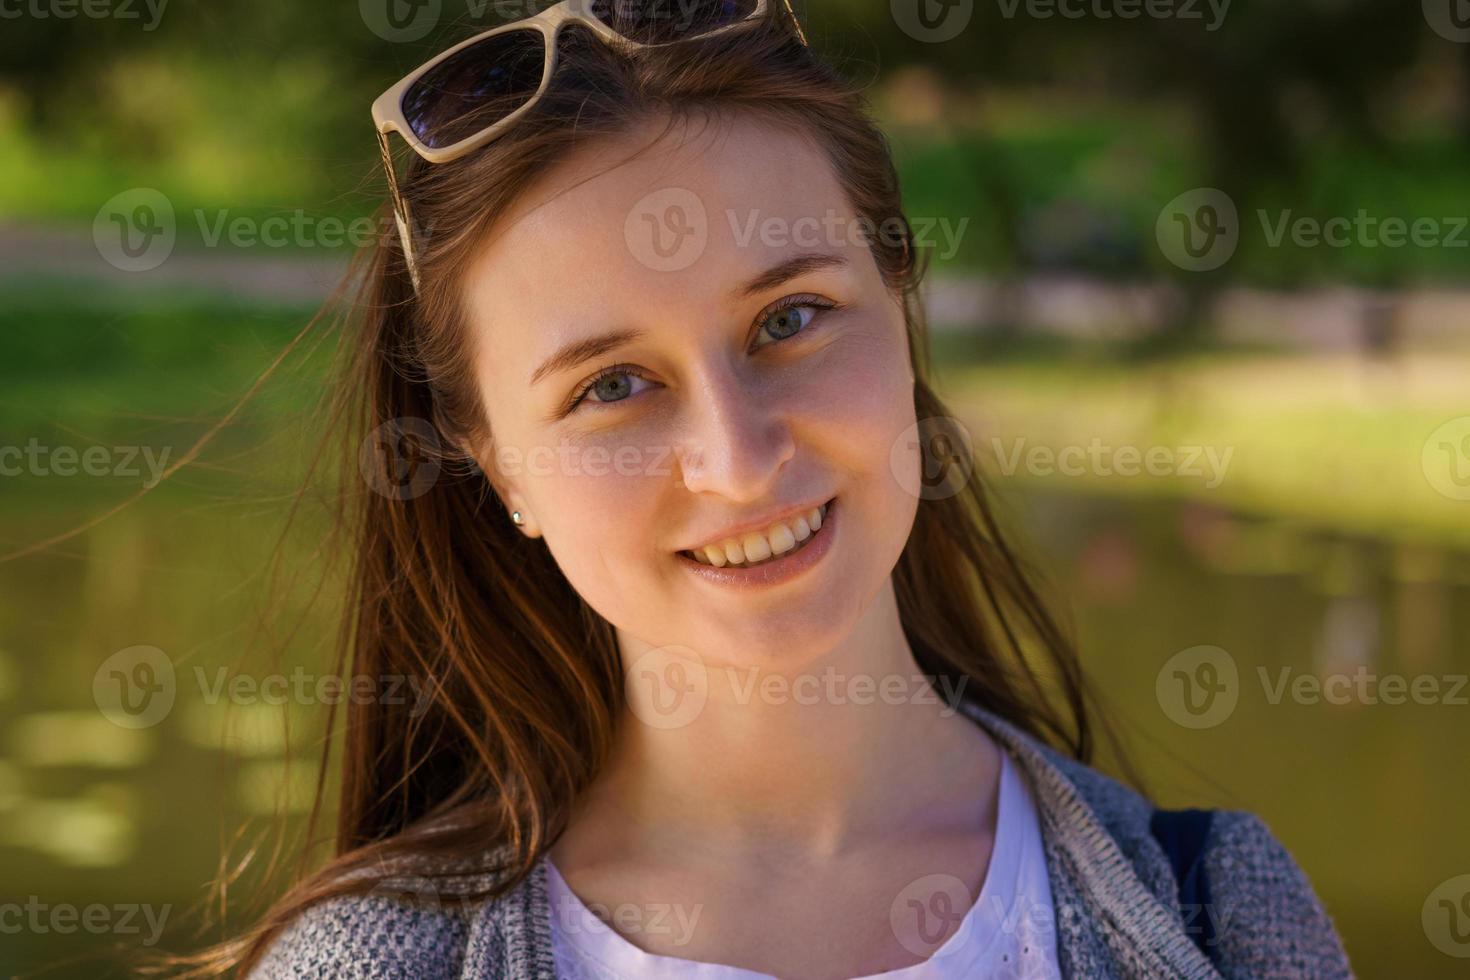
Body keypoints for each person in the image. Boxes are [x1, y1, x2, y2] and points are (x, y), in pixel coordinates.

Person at [217, 2, 1352, 976]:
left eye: (788, 319)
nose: (740, 456)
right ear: (493, 460)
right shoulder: (368, 961)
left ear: (899, 294)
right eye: (612, 384)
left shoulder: (1223, 916)